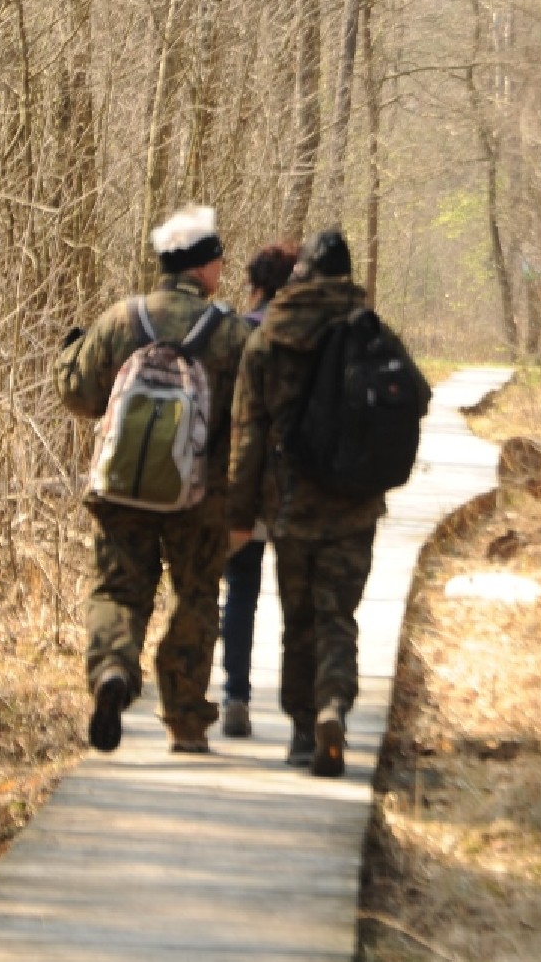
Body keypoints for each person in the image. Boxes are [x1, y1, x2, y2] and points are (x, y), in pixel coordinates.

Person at [226, 229, 431, 776]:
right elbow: (417, 395)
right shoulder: (368, 328)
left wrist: (239, 513)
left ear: (303, 275)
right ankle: (333, 704)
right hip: (355, 506)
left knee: (299, 618)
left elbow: (247, 434)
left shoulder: (270, 337)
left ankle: (301, 732)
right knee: (337, 614)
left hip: (290, 505)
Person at [57, 205, 250, 755]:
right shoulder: (230, 333)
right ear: (204, 266)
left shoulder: (123, 320)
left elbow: (79, 396)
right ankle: (185, 721)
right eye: (218, 260)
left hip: (122, 490)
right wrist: (249, 500)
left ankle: (113, 669)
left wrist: (69, 352)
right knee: (195, 598)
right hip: (200, 500)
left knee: (119, 588)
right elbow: (252, 422)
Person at [220, 243, 299, 739]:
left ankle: (236, 695)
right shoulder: (309, 337)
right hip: (298, 490)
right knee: (298, 599)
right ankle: (303, 712)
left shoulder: (236, 334)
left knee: (241, 591)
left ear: (254, 286)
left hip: (244, 484)